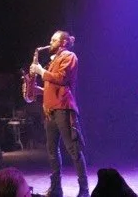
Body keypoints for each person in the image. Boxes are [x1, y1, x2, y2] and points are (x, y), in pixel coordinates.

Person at [29, 30, 89, 197]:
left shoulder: (69, 56)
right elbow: (53, 85)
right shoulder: (53, 61)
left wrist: (41, 72)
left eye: (54, 40)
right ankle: (56, 188)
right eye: (51, 39)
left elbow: (61, 78)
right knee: (52, 151)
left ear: (63, 43)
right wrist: (37, 90)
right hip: (50, 110)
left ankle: (84, 190)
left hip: (63, 108)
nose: (50, 42)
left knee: (73, 149)